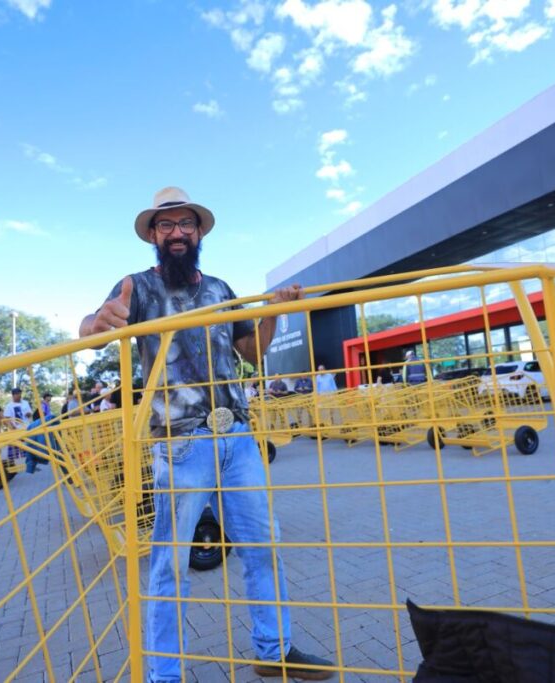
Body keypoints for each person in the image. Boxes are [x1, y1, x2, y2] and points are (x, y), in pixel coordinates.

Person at [79, 186, 331, 681]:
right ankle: (165, 675)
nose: (177, 233)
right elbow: (93, 328)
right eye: (166, 225)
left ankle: (274, 650)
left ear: (198, 232)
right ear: (153, 234)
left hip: (236, 436)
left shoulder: (220, 288)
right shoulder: (137, 287)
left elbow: (253, 353)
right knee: (170, 566)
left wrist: (273, 313)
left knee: (263, 546)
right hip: (179, 444)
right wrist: (95, 322)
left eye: (185, 224)